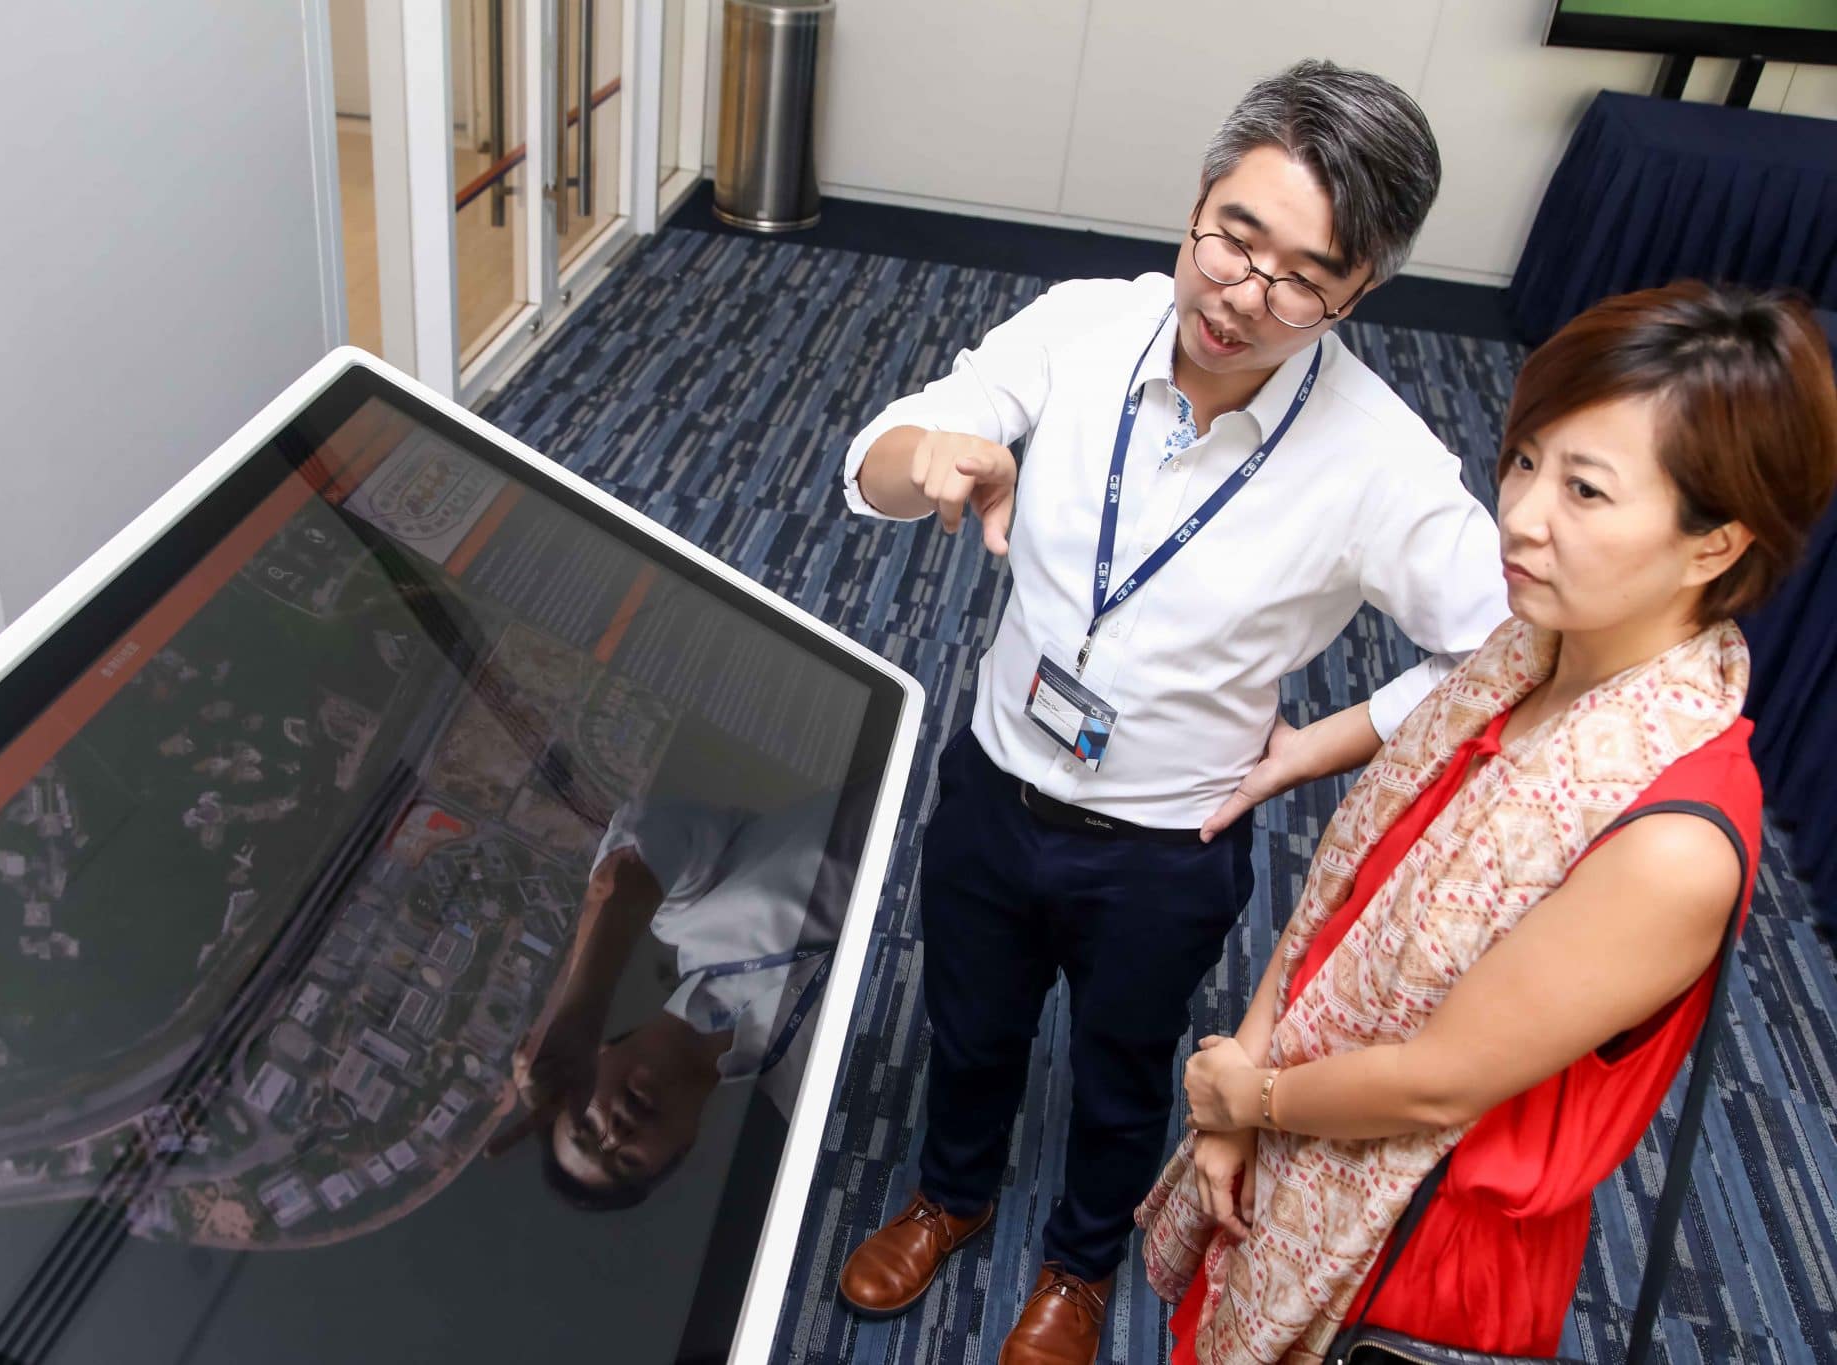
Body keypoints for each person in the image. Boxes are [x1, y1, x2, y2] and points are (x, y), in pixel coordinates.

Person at [834, 60, 1509, 1365]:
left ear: (1361, 289)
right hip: (994, 770)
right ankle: (951, 1194)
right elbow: (892, 448)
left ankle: (1080, 1267)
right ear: (1200, 199)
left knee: (1126, 1064)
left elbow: (1510, 650)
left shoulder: (1379, 460)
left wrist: (1319, 745)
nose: (1242, 294)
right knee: (968, 1019)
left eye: (1303, 276)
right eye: (1232, 236)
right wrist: (930, 457)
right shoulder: (1091, 321)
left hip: (1164, 841)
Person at [1139, 281, 1837, 1362]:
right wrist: (1244, 1090)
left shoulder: (1669, 842)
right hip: (1300, 1119)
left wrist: (1252, 1093)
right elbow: (1346, 880)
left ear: (1712, 546)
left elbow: (1439, 1081)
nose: (1519, 513)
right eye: (1524, 460)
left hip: (1410, 1257)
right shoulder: (1521, 658)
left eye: (1585, 491)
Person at [502, 789, 850, 1209]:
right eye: (626, 1162)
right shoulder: (822, 1098)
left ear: (599, 1052)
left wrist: (581, 1009)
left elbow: (644, 838)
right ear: (682, 1149)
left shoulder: (684, 913)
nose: (615, 1135)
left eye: (587, 1126)